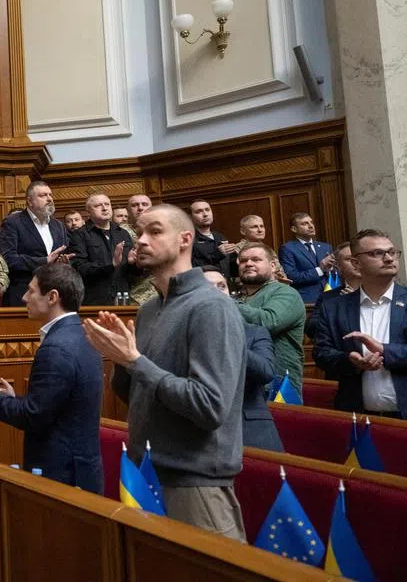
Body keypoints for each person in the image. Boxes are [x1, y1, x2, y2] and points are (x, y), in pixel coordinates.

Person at [86, 204, 246, 540]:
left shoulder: (211, 307)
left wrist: (134, 361)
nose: (140, 240)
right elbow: (136, 396)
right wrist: (119, 358)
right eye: (139, 232)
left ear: (186, 239)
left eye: (154, 231)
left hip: (194, 484)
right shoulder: (149, 309)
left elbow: (209, 406)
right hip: (146, 475)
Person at [0, 264, 102, 492]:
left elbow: (34, 415)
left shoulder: (57, 348)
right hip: (81, 469)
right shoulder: (80, 334)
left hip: (61, 475)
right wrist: (13, 399)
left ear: (52, 297)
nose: (23, 297)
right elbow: (55, 405)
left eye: (31, 291)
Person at [314, 230, 407, 420]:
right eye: (377, 253)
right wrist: (351, 360)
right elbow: (321, 353)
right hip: (358, 418)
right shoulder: (333, 307)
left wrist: (385, 351)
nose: (388, 258)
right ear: (356, 263)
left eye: (392, 252)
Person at [203, 267, 284, 452]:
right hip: (203, 431)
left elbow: (266, 372)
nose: (216, 292)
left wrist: (225, 337)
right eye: (208, 287)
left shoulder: (254, 331)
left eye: (221, 286)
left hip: (250, 429)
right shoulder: (185, 333)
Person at [235, 244, 306, 394]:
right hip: (240, 383)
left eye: (256, 259)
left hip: (278, 385)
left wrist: (225, 303)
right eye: (243, 261)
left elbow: (268, 322)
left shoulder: (286, 293)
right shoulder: (238, 298)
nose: (248, 264)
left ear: (273, 266)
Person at [0, 181, 70, 307]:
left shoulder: (58, 225)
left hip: (52, 296)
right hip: (22, 294)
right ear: (29, 201)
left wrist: (64, 262)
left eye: (50, 195)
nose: (49, 199)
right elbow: (8, 259)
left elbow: (62, 254)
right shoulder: (13, 222)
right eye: (43, 196)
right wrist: (44, 260)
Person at [69, 193, 135, 306]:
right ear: (88, 212)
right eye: (98, 205)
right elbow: (80, 268)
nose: (104, 208)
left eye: (107, 204)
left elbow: (132, 273)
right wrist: (111, 265)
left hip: (123, 298)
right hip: (95, 300)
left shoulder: (123, 233)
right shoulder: (79, 235)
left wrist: (133, 263)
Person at [308, 241, 361, 341]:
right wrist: (340, 308)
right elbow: (311, 328)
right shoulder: (328, 297)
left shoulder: (383, 292)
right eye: (349, 259)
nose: (356, 262)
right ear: (338, 267)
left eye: (358, 258)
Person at [278, 213, 335, 304]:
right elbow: (292, 277)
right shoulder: (288, 248)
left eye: (311, 222)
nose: (311, 226)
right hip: (307, 299)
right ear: (294, 229)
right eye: (304, 224)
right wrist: (320, 269)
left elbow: (337, 272)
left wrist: (332, 269)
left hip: (332, 295)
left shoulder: (326, 247)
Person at [189, 200, 236, 271]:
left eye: (207, 210)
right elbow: (190, 266)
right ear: (190, 217)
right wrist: (216, 255)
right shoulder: (189, 239)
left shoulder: (219, 236)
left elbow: (230, 267)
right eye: (199, 211)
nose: (205, 214)